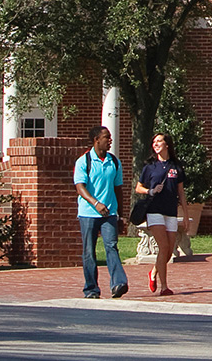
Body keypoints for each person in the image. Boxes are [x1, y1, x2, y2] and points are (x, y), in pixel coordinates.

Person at [75, 126, 127, 299]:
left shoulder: (114, 161)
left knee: (111, 246)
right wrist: (95, 203)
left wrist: (121, 214)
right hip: (88, 213)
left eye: (110, 137)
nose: (109, 140)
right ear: (96, 139)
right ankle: (91, 289)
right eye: (106, 137)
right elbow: (80, 187)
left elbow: (118, 188)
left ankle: (118, 283)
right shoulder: (84, 161)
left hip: (109, 214)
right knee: (89, 251)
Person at [138, 133, 185, 296]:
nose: (155, 144)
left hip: (171, 211)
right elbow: (138, 187)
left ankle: (153, 272)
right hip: (154, 210)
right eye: (154, 141)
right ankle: (164, 287)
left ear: (167, 144)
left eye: (159, 141)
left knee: (169, 250)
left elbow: (181, 191)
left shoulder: (176, 166)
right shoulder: (150, 166)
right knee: (163, 247)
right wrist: (150, 190)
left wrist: (185, 215)